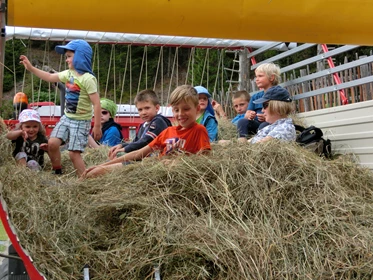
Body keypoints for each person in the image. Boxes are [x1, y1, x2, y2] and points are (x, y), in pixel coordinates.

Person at [82, 85, 211, 179]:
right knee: (94, 173)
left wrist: (175, 163)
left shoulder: (199, 131)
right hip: (149, 168)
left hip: (167, 176)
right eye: (176, 110)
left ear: (197, 108)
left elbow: (204, 161)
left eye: (186, 109)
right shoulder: (168, 132)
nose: (180, 114)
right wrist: (103, 164)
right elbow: (139, 153)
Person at [19, 39, 102, 176]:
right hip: (66, 118)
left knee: (73, 154)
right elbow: (50, 76)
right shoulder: (68, 74)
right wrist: (31, 68)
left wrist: (97, 126)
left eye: (69, 56)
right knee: (52, 143)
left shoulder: (88, 79)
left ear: (80, 56)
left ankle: (84, 179)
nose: (66, 60)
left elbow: (97, 103)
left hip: (81, 121)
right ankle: (57, 171)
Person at [108, 89, 172, 160]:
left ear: (157, 108)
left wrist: (125, 149)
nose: (143, 112)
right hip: (145, 156)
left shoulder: (158, 121)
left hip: (157, 157)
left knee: (119, 155)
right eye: (140, 110)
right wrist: (122, 145)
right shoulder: (143, 125)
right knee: (116, 154)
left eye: (147, 108)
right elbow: (136, 142)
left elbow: (146, 141)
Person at [237, 62, 281, 141]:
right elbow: (246, 115)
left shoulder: (279, 94)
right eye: (256, 76)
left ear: (271, 78)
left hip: (272, 126)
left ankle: (258, 142)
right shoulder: (255, 97)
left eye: (260, 76)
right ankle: (242, 144)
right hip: (257, 125)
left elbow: (282, 116)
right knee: (242, 122)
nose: (256, 79)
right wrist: (250, 115)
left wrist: (267, 118)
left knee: (264, 125)